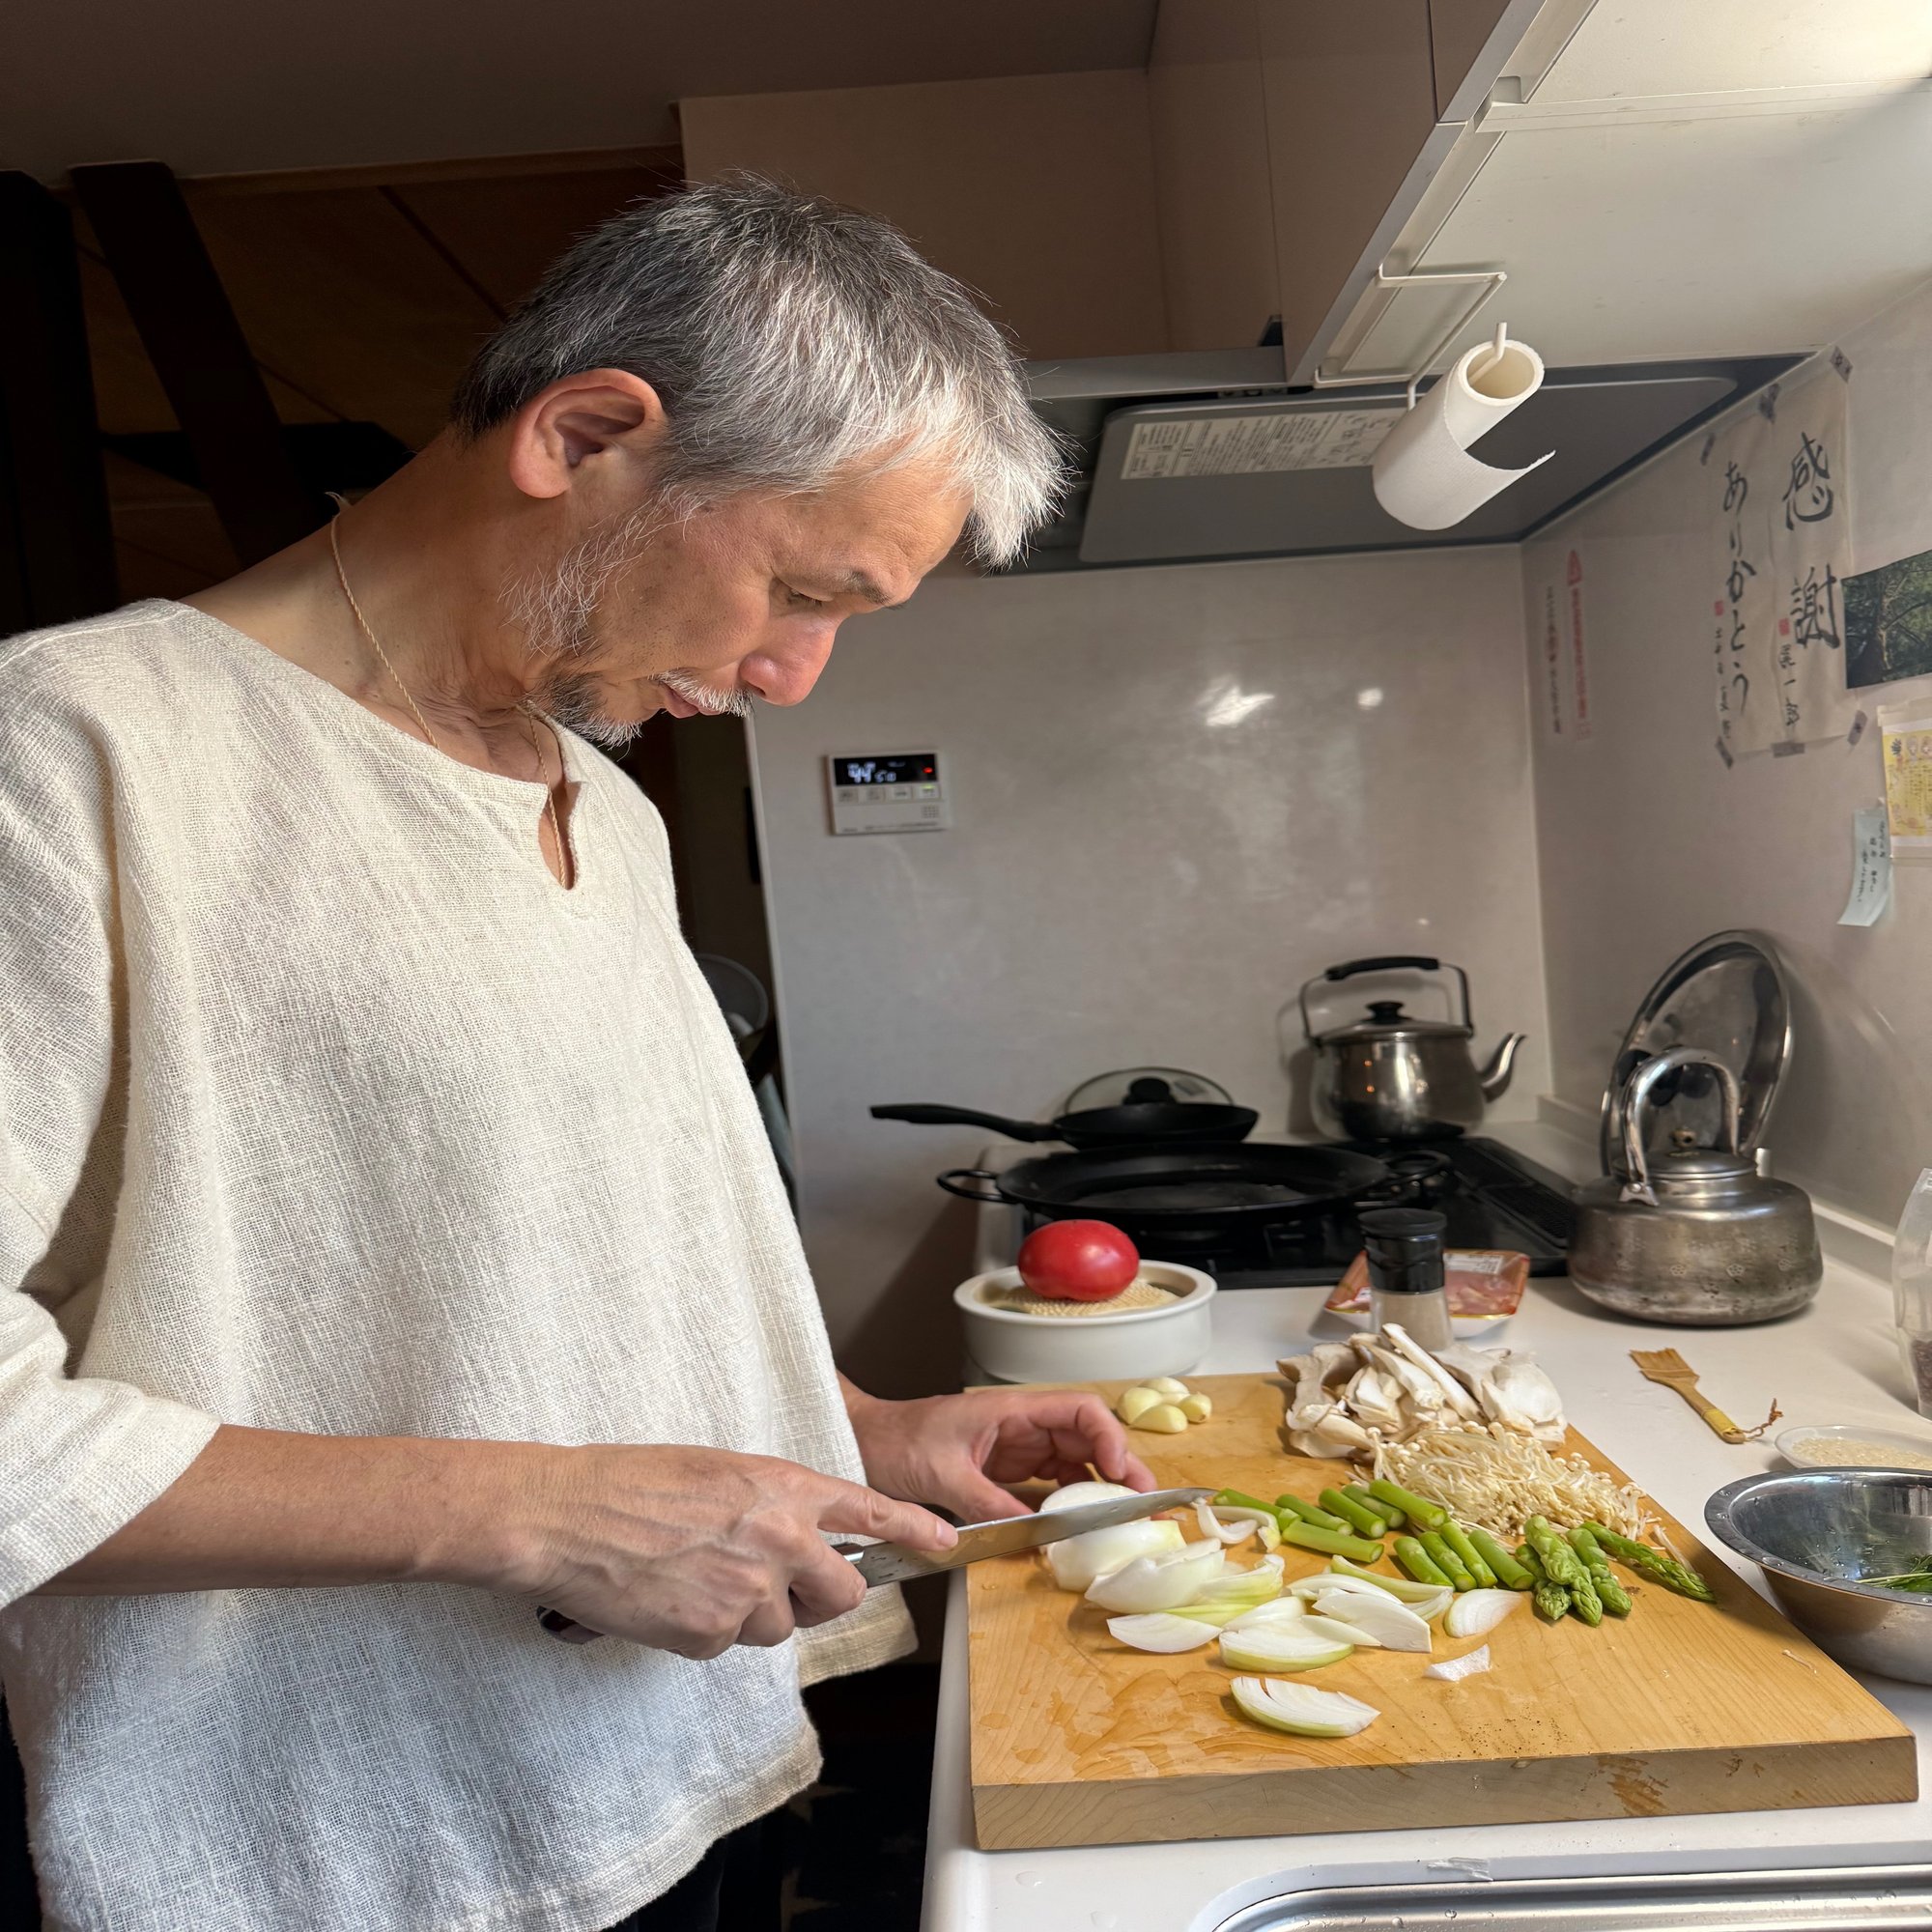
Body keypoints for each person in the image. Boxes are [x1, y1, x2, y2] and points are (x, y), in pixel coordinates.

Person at [0, 178, 1152, 1932]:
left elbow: (544, 1290)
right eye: (802, 589)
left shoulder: (603, 812)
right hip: (347, 1855)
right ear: (587, 435)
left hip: (662, 1776)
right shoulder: (72, 757)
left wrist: (863, 1430)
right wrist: (536, 1518)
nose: (796, 677)